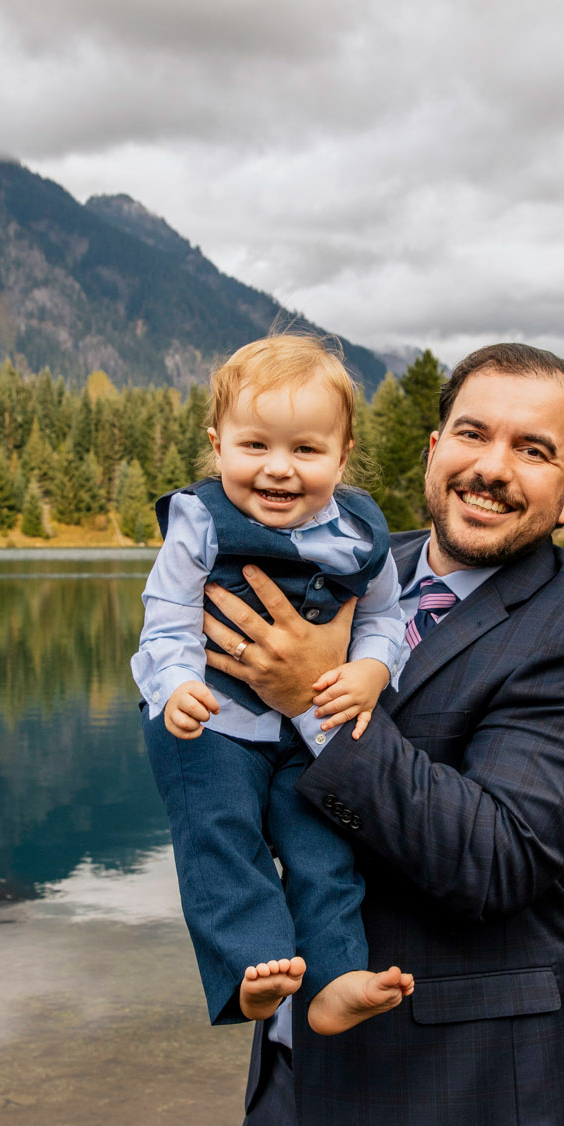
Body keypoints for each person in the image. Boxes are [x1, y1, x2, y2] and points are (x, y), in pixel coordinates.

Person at [203, 342, 564, 1126]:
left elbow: (496, 855)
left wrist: (310, 702)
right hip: (291, 1094)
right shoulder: (347, 568)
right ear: (432, 448)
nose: (491, 466)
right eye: (473, 433)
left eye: (533, 450)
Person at [134, 333, 417, 1037]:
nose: (278, 470)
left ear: (342, 455)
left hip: (306, 724)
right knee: (221, 833)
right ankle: (251, 971)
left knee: (325, 848)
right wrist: (172, 687)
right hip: (210, 720)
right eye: (255, 446)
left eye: (306, 451)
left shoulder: (360, 534)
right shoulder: (200, 522)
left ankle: (336, 978)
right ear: (218, 443)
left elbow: (386, 616)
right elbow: (167, 617)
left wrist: (371, 668)